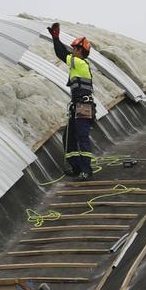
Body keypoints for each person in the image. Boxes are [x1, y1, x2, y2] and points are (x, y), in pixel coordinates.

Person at [47, 22, 95, 179]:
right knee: (69, 137)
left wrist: (55, 38)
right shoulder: (78, 63)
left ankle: (86, 170)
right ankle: (76, 167)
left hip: (83, 106)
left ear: (80, 51)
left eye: (74, 48)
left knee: (82, 137)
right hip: (78, 106)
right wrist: (56, 38)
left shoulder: (79, 62)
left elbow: (61, 53)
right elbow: (65, 52)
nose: (72, 50)